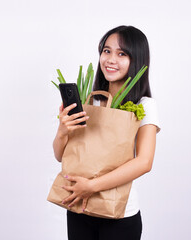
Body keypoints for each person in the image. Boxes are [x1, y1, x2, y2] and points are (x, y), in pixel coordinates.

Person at [52, 25, 161, 240]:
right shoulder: (88, 100)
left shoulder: (144, 105)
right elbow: (60, 156)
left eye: (122, 53)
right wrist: (63, 130)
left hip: (119, 215)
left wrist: (90, 186)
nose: (110, 59)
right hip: (78, 207)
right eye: (106, 51)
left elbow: (144, 162)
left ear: (137, 60)